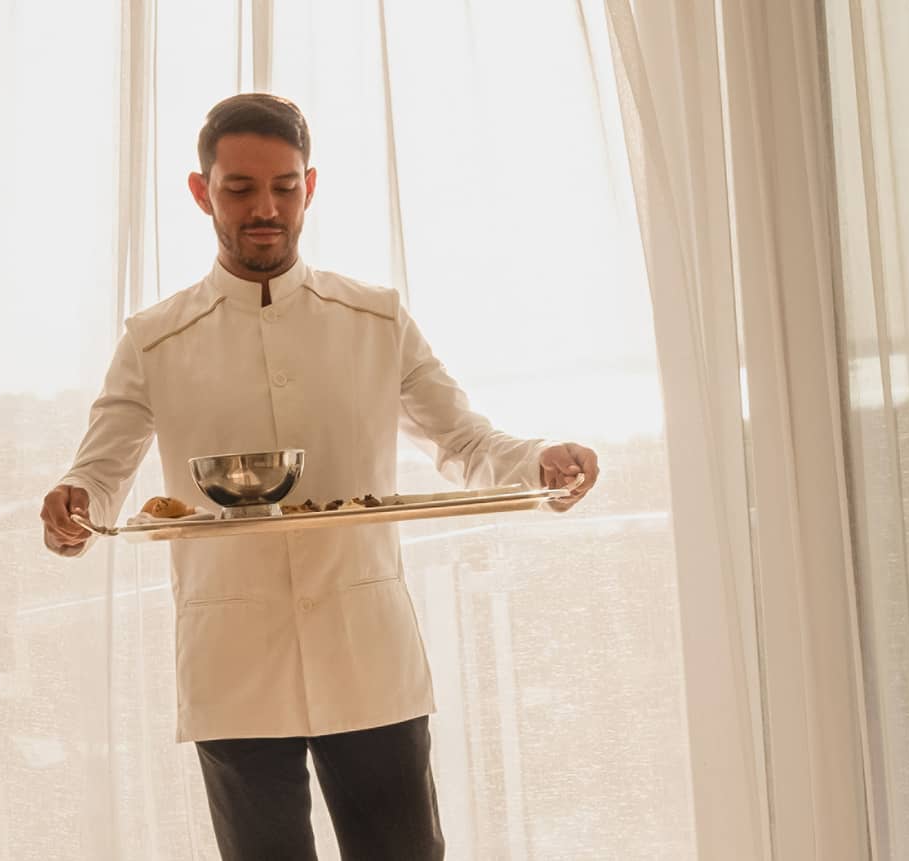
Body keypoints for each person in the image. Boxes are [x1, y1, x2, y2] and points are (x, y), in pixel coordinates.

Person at [39, 93, 599, 860]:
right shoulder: (155, 340)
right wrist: (74, 505)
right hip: (232, 662)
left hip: (367, 651)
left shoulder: (376, 318)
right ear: (202, 192)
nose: (265, 206)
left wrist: (540, 461)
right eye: (239, 188)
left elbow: (465, 438)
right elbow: (99, 471)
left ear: (310, 186)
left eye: (285, 186)